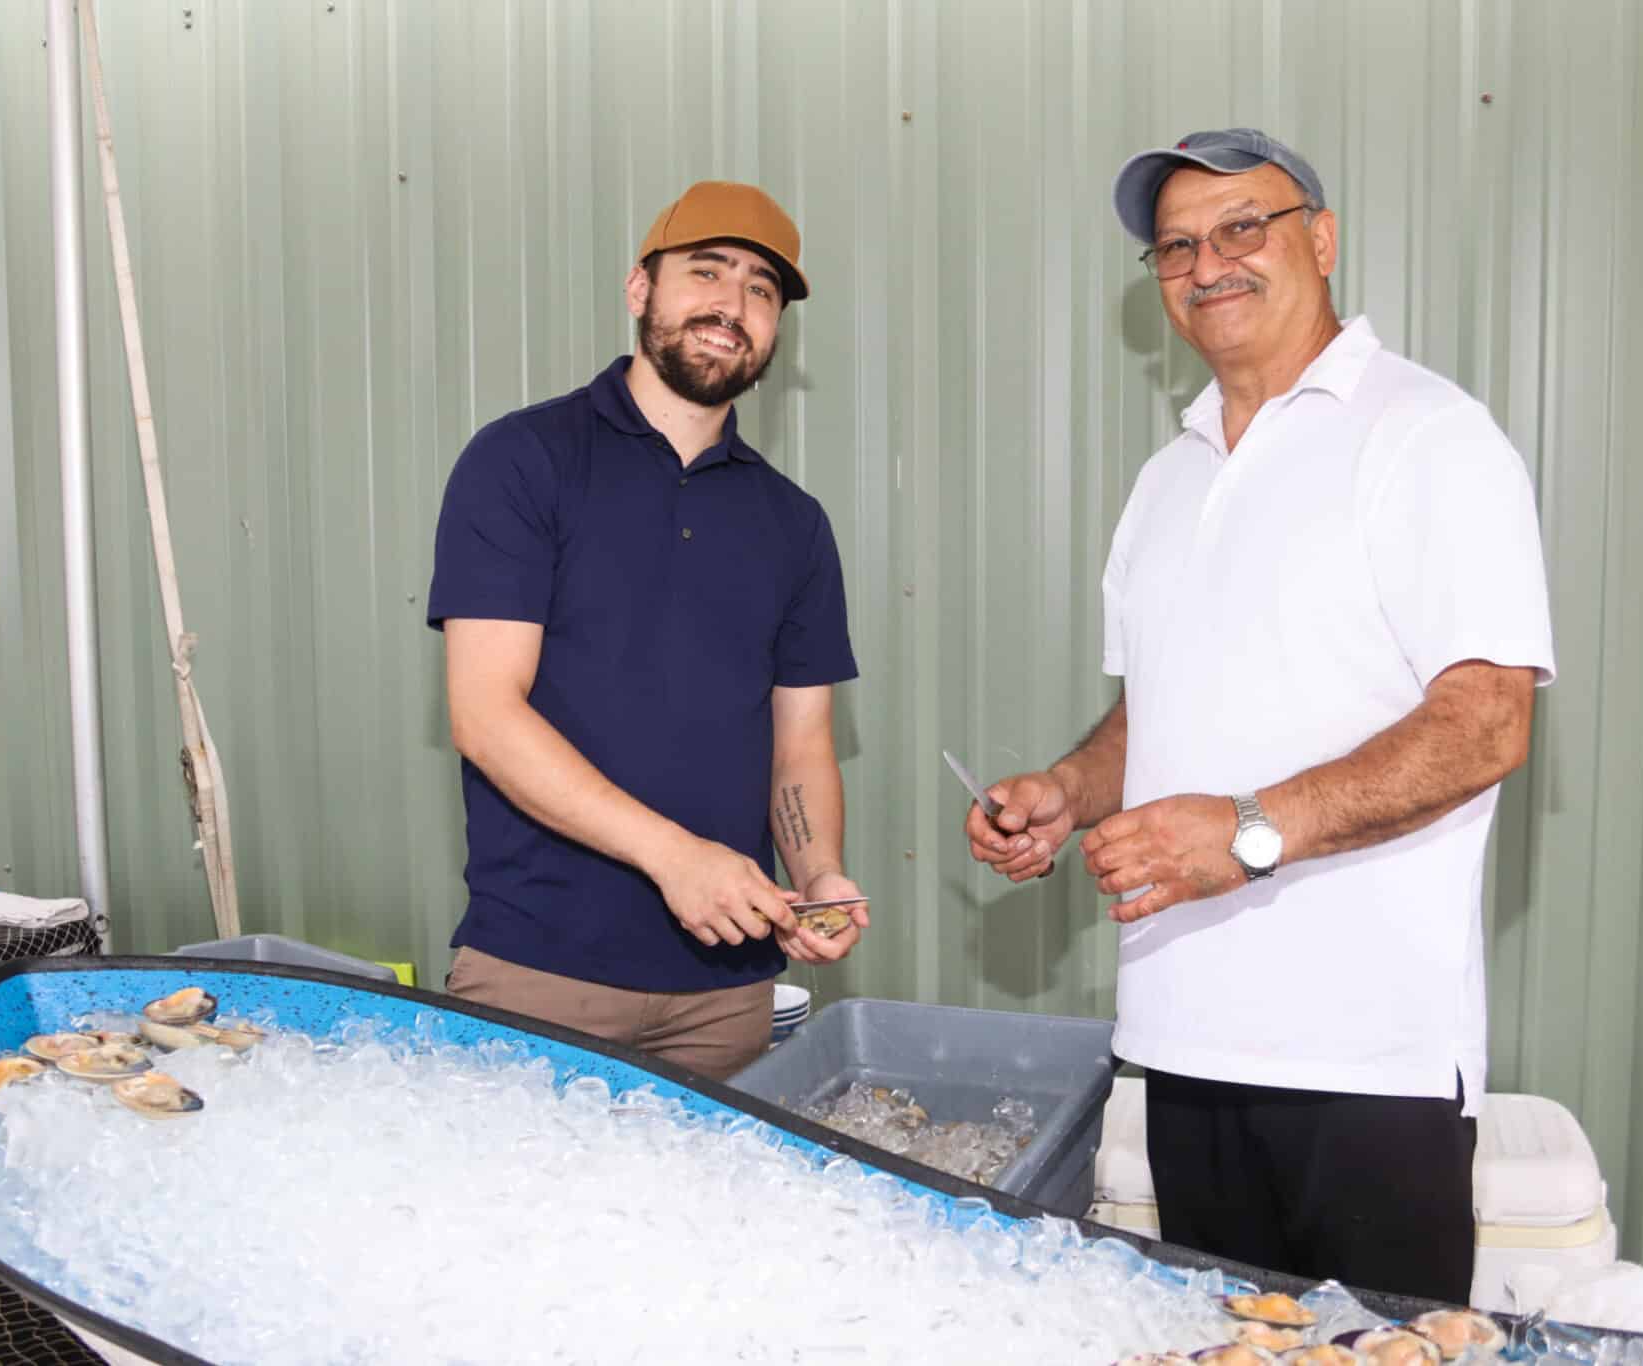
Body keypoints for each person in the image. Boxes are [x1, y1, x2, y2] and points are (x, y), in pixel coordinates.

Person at [964, 128, 1555, 1303]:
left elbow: (1486, 722)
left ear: (1320, 240)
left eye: (1244, 227)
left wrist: (1245, 832)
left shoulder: (1425, 437)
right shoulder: (1168, 473)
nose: (1207, 262)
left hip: (1365, 1066)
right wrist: (1067, 791)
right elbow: (1157, 707)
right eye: (1175, 246)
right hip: (1183, 1046)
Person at [428, 180, 866, 1081]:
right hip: (540, 976)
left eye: (760, 290)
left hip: (728, 995)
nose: (731, 305)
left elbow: (802, 746)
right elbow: (485, 713)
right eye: (706, 272)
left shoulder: (794, 523)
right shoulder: (523, 462)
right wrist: (675, 858)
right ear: (640, 290)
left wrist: (819, 873)